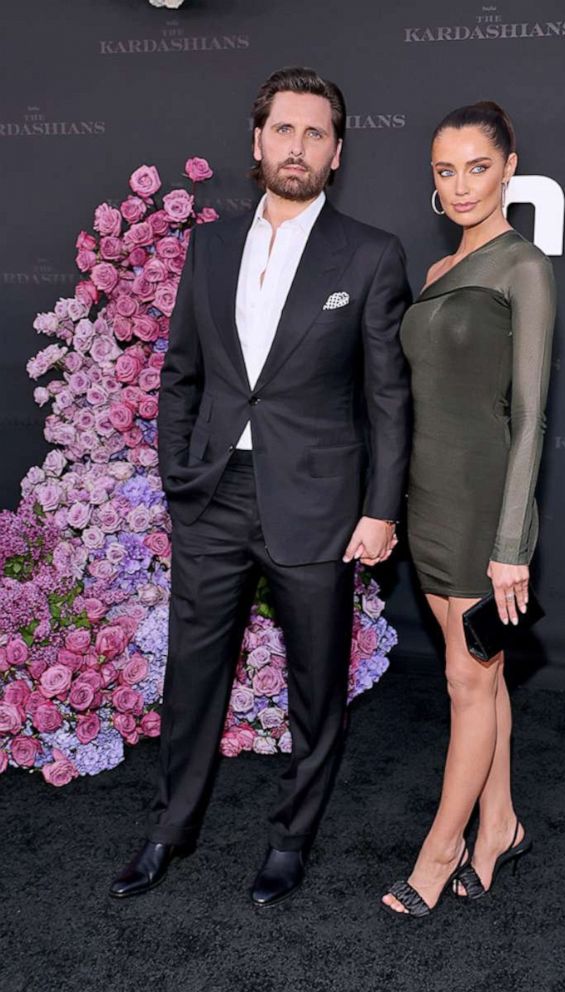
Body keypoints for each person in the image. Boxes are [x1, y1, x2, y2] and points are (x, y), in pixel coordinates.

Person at [109, 66, 411, 908]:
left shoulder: (372, 253)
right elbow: (181, 373)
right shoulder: (208, 244)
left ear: (337, 152)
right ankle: (173, 827)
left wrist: (381, 509)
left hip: (317, 503)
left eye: (316, 133)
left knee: (318, 686)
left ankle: (291, 838)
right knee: (192, 675)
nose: (298, 146)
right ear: (257, 140)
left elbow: (389, 398)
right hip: (213, 495)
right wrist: (179, 473)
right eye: (285, 129)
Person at [382, 101, 556, 917]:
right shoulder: (437, 275)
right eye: (445, 170)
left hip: (489, 502)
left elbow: (531, 414)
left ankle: (440, 847)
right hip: (431, 497)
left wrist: (513, 541)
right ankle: (501, 825)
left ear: (509, 167)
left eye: (477, 167)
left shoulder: (524, 265)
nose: (460, 185)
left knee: (465, 678)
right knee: (481, 675)